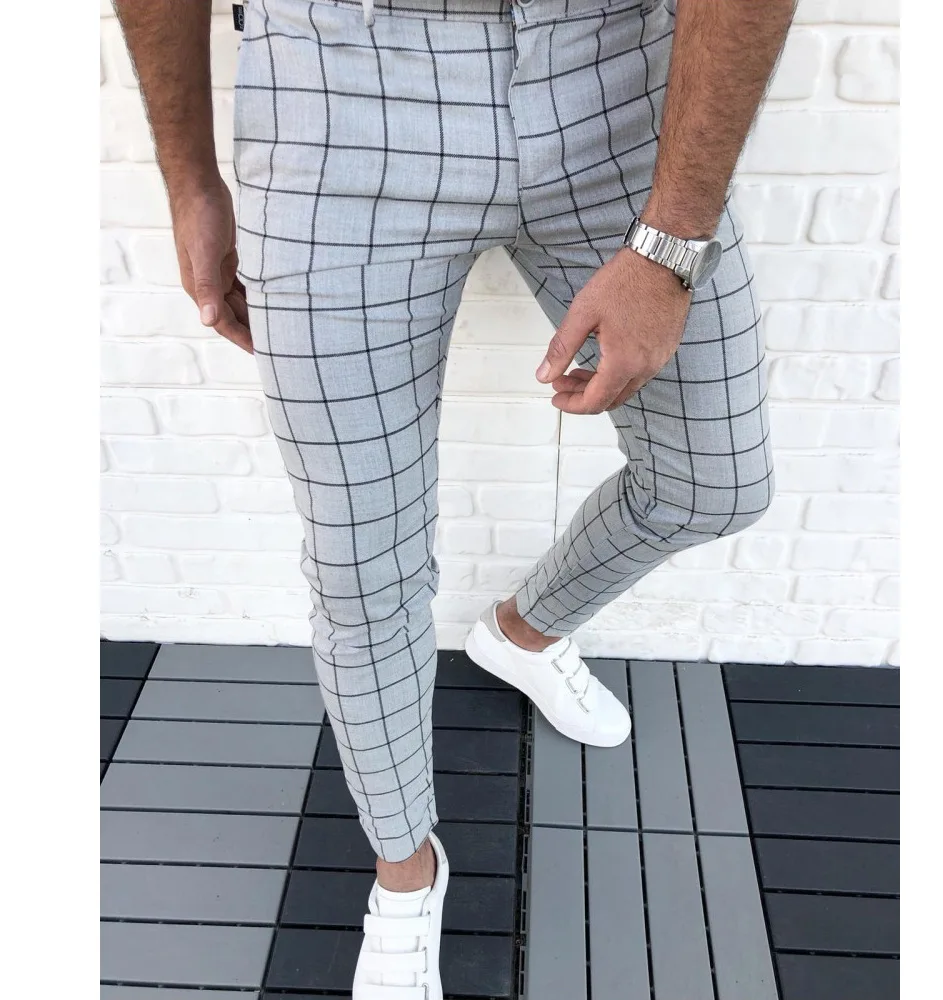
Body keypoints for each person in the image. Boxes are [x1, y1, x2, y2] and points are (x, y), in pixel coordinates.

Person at [113, 0, 793, 995]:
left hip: (618, 71)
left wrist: (672, 241)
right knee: (363, 563)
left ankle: (522, 632)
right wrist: (189, 180)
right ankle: (405, 870)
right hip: (336, 90)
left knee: (715, 480)